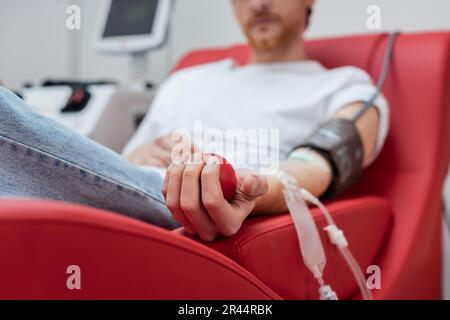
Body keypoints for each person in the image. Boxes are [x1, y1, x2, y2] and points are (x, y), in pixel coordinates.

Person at [0, 0, 388, 242]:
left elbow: (319, 165)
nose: (259, 3)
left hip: (210, 202)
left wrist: (247, 188)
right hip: (134, 191)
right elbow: (113, 168)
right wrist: (139, 154)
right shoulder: (187, 80)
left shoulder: (345, 85)